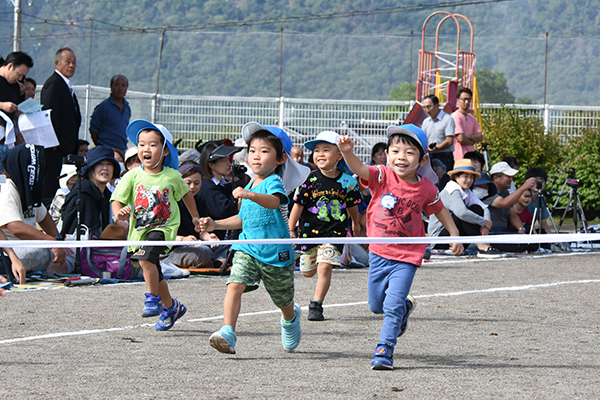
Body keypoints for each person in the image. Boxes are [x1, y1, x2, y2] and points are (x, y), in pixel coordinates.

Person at [338, 124, 463, 370]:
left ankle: (385, 350)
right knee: (376, 306)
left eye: (409, 153)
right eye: (395, 151)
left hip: (408, 256)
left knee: (391, 306)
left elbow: (439, 210)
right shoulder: (381, 175)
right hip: (379, 253)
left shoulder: (426, 187)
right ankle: (405, 307)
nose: (401, 158)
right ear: (387, 153)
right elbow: (358, 168)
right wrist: (346, 152)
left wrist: (455, 233)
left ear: (422, 158)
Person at [201, 121, 310, 355]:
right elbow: (243, 218)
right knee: (234, 284)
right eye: (252, 151)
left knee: (282, 300)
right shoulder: (250, 183)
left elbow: (274, 202)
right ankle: (227, 332)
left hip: (275, 253)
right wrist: (215, 224)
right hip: (248, 248)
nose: (256, 156)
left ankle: (290, 317)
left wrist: (249, 194)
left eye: (264, 151)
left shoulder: (273, 182)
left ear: (280, 159)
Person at [111, 120, 200, 331]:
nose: (146, 149)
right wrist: (119, 212)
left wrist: (196, 217)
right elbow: (117, 200)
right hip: (139, 230)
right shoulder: (132, 176)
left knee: (147, 256)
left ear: (165, 150)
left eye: (152, 144)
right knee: (150, 267)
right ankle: (171, 307)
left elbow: (187, 195)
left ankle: (152, 299)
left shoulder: (172, 176)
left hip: (163, 228)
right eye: (141, 144)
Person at [288, 131, 362, 321]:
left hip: (335, 233)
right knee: (307, 272)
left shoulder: (348, 181)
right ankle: (313, 265)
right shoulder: (308, 179)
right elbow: (298, 204)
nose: (320, 154)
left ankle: (316, 305)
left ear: (339, 155)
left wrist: (355, 223)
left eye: (326, 150)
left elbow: (352, 206)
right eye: (317, 150)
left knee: (324, 267)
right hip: (309, 233)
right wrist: (290, 228)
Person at [0, 144, 71, 274]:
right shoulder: (7, 188)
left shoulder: (28, 188)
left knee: (69, 255)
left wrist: (58, 240)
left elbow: (44, 217)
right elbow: (15, 227)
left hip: (26, 250)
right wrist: (51, 241)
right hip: (7, 254)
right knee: (45, 255)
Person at [428, 159, 500, 257]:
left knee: (476, 208)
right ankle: (482, 245)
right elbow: (462, 213)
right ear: (456, 177)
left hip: (456, 237)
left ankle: (483, 243)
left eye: (471, 177)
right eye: (465, 177)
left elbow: (484, 208)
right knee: (464, 214)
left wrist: (486, 223)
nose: (469, 180)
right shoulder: (452, 189)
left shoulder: (466, 191)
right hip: (440, 238)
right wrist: (483, 222)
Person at [41, 48, 82, 208]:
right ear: (57, 63)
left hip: (64, 146)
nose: (71, 65)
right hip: (54, 147)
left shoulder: (65, 85)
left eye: (74, 62)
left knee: (59, 183)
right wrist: (52, 141)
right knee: (50, 185)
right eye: (68, 62)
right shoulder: (53, 84)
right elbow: (49, 115)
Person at [60, 146, 119, 239]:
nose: (105, 168)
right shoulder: (83, 194)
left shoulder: (106, 194)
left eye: (109, 164)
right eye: (99, 163)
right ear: (91, 167)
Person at [485, 161, 538, 253]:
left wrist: (521, 229)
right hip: (492, 232)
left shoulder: (505, 191)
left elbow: (512, 212)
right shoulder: (488, 190)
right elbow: (505, 203)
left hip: (504, 231)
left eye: (511, 176)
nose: (511, 179)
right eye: (508, 176)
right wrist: (523, 187)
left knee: (529, 231)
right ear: (496, 178)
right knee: (521, 244)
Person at [198, 142, 242, 240]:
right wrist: (241, 201)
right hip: (211, 239)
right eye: (223, 160)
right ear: (211, 165)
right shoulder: (206, 186)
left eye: (228, 159)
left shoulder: (224, 183)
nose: (229, 163)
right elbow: (223, 211)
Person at [0, 52, 32, 161]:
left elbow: (13, 110)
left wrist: (23, 116)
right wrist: (2, 105)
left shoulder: (15, 86)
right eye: (19, 74)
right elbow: (5, 107)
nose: (20, 78)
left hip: (7, 140)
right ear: (10, 66)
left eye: (23, 76)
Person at [89, 75, 131, 153]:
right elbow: (93, 129)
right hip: (105, 150)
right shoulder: (103, 107)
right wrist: (100, 146)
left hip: (122, 151)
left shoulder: (127, 108)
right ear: (111, 87)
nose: (120, 88)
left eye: (123, 85)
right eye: (116, 85)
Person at [421, 94, 456, 172]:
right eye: (424, 107)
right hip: (430, 157)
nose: (427, 110)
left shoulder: (447, 119)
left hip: (445, 157)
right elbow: (424, 138)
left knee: (444, 181)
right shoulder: (426, 122)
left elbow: (449, 141)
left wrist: (437, 148)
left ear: (437, 105)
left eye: (429, 106)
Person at [451, 88, 483, 161]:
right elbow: (461, 138)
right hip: (459, 156)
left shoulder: (472, 118)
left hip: (471, 156)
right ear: (458, 100)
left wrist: (467, 136)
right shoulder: (456, 116)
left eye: (469, 99)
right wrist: (473, 141)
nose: (466, 102)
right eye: (464, 99)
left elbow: (480, 137)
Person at [525, 167, 555, 234]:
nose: (537, 184)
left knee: (543, 232)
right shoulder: (524, 197)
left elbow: (543, 223)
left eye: (540, 181)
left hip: (532, 229)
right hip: (524, 229)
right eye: (535, 181)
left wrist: (553, 239)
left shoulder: (541, 197)